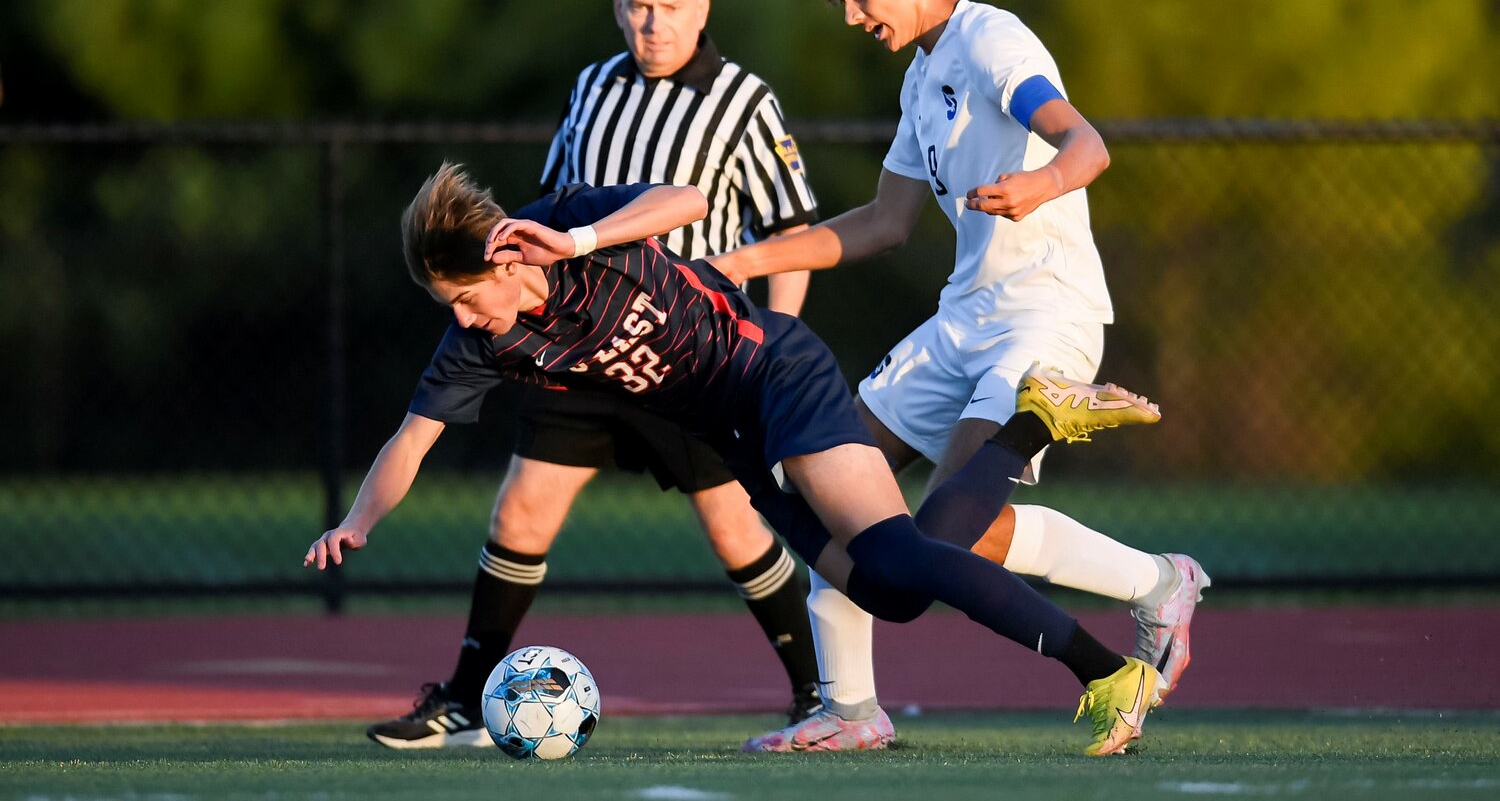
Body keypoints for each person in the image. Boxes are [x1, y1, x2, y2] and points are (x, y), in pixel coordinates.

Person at [306, 163, 1168, 756]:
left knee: (900, 552)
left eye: (463, 298)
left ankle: (1107, 674)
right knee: (888, 590)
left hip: (774, 372)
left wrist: (576, 241)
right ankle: (1034, 423)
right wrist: (356, 521)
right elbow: (411, 438)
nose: (460, 319)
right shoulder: (484, 344)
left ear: (498, 256)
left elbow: (685, 202)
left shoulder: (564, 224)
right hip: (735, 440)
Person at [710, 0, 1209, 752]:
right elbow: (881, 223)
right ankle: (851, 713)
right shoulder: (919, 80)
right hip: (961, 322)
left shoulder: (990, 41)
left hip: (1042, 315)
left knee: (943, 535)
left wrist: (1039, 184)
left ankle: (1154, 585)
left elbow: (1085, 144)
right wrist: (741, 260)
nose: (858, 18)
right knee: (824, 482)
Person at [363, 0, 824, 749]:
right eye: (639, 7)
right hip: (569, 345)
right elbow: (547, 208)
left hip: (682, 351)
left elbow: (791, 232)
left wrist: (771, 358)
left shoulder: (744, 100)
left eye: (671, 8)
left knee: (736, 526)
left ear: (702, 8)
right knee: (523, 509)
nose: (653, 24)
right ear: (619, 7)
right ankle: (467, 699)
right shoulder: (591, 87)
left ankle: (816, 692)